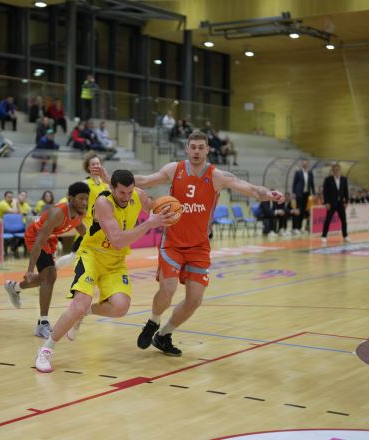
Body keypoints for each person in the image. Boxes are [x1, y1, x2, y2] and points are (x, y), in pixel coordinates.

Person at [95, 130, 284, 357]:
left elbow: (250, 189)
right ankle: (153, 321)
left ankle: (164, 334)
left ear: (207, 150)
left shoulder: (217, 176)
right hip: (172, 242)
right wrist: (109, 179)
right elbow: (143, 181)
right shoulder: (174, 169)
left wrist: (269, 194)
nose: (196, 151)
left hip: (199, 246)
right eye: (193, 147)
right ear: (187, 149)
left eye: (200, 147)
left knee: (194, 300)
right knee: (168, 288)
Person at [34, 170, 175, 372]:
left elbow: (154, 207)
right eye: (121, 193)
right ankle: (46, 349)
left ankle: (86, 313)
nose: (126, 197)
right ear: (112, 189)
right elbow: (117, 240)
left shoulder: (138, 195)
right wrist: (150, 223)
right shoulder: (103, 203)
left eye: (129, 192)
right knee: (79, 304)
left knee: (120, 307)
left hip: (115, 261)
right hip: (92, 255)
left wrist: (171, 211)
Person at [4, 182, 90, 338]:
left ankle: (15, 287)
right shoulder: (57, 213)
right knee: (50, 276)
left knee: (45, 277)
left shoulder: (81, 211)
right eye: (80, 198)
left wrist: (96, 243)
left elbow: (80, 226)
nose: (84, 202)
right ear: (70, 198)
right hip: (35, 237)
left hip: (50, 239)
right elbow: (38, 242)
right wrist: (30, 270)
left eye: (86, 198)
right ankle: (42, 323)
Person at [55, 152, 109, 271]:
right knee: (75, 255)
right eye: (93, 164)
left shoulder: (105, 184)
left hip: (101, 227)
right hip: (87, 225)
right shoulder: (85, 184)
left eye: (98, 163)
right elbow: (70, 198)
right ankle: (53, 268)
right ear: (88, 167)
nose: (96, 166)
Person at [322, 163, 350, 244]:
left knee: (344, 220)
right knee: (328, 220)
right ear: (332, 170)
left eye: (337, 169)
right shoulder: (328, 179)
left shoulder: (344, 179)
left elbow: (346, 191)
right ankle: (324, 236)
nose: (336, 171)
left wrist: (346, 201)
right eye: (335, 169)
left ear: (340, 170)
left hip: (340, 203)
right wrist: (326, 202)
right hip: (331, 204)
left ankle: (345, 236)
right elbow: (325, 192)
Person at [292, 159, 315, 232]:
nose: (304, 164)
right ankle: (296, 228)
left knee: (303, 211)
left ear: (307, 164)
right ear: (302, 164)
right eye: (303, 163)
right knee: (298, 210)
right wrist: (294, 193)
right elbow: (294, 183)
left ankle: (300, 227)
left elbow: (312, 184)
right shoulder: (298, 172)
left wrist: (313, 193)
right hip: (299, 194)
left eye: (306, 163)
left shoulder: (310, 173)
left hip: (306, 194)